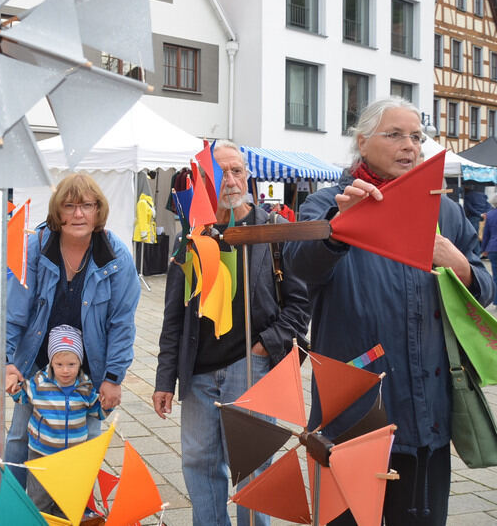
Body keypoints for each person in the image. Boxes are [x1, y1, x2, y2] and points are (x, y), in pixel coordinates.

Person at [284, 98, 493, 525]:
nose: (410, 146)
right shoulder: (328, 203)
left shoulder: (445, 212)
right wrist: (339, 230)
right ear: (362, 142)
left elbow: (485, 290)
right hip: (353, 413)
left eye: (416, 136)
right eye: (395, 134)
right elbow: (298, 267)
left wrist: (460, 265)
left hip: (428, 419)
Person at [152, 141, 310, 526]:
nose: (230, 179)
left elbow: (300, 305)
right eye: (219, 172)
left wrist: (263, 346)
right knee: (199, 463)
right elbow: (174, 315)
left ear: (247, 176)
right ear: (204, 179)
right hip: (198, 374)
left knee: (253, 465)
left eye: (237, 170)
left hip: (251, 368)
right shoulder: (191, 237)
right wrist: (164, 379)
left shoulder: (273, 231)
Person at [4, 173, 140, 484]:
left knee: (85, 445)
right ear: (57, 212)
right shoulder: (35, 247)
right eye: (69, 206)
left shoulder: (116, 257)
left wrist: (114, 377)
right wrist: (7, 362)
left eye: (87, 206)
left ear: (98, 211)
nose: (78, 214)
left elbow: (122, 322)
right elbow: (14, 313)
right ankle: (9, 511)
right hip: (37, 363)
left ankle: (71, 509)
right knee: (18, 442)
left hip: (90, 366)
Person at [9, 325, 104, 513]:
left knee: (67, 504)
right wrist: (13, 388)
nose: (66, 370)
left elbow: (98, 411)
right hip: (41, 455)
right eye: (59, 365)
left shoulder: (85, 387)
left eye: (71, 365)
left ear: (80, 363)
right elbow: (22, 397)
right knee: (38, 502)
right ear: (51, 363)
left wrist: (107, 404)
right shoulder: (38, 382)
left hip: (72, 458)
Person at [480, 193, 497, 295]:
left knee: (495, 276)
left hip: (493, 248)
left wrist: (484, 249)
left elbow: (486, 234)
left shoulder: (489, 215)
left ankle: (496, 300)